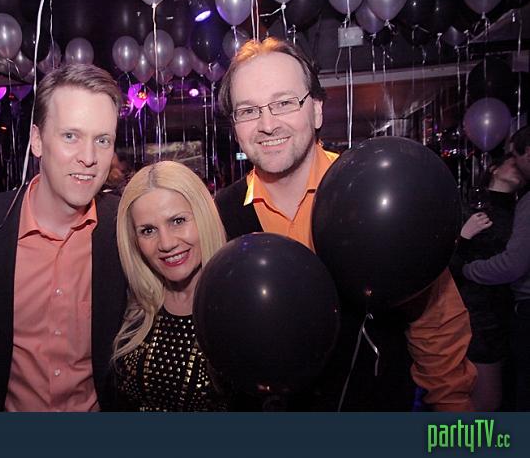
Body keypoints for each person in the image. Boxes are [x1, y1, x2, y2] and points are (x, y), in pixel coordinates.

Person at [216, 37, 476, 411]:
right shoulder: (218, 216)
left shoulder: (374, 192)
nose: (267, 124)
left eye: (284, 103)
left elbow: (436, 324)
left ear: (316, 110)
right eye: (248, 110)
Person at [0, 64, 127, 411]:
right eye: (70, 136)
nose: (89, 158)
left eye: (102, 140)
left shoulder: (126, 228)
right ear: (37, 140)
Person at [112, 161, 227, 411]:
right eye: (148, 230)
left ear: (204, 217)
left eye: (177, 221)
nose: (166, 243)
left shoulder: (237, 307)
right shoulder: (130, 308)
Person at [451, 154, 526, 411]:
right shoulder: (469, 207)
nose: (518, 168)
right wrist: (464, 236)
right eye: (512, 162)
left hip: (505, 311)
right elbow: (445, 264)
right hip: (477, 314)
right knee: (486, 398)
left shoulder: (519, 211)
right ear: (494, 169)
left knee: (502, 395)